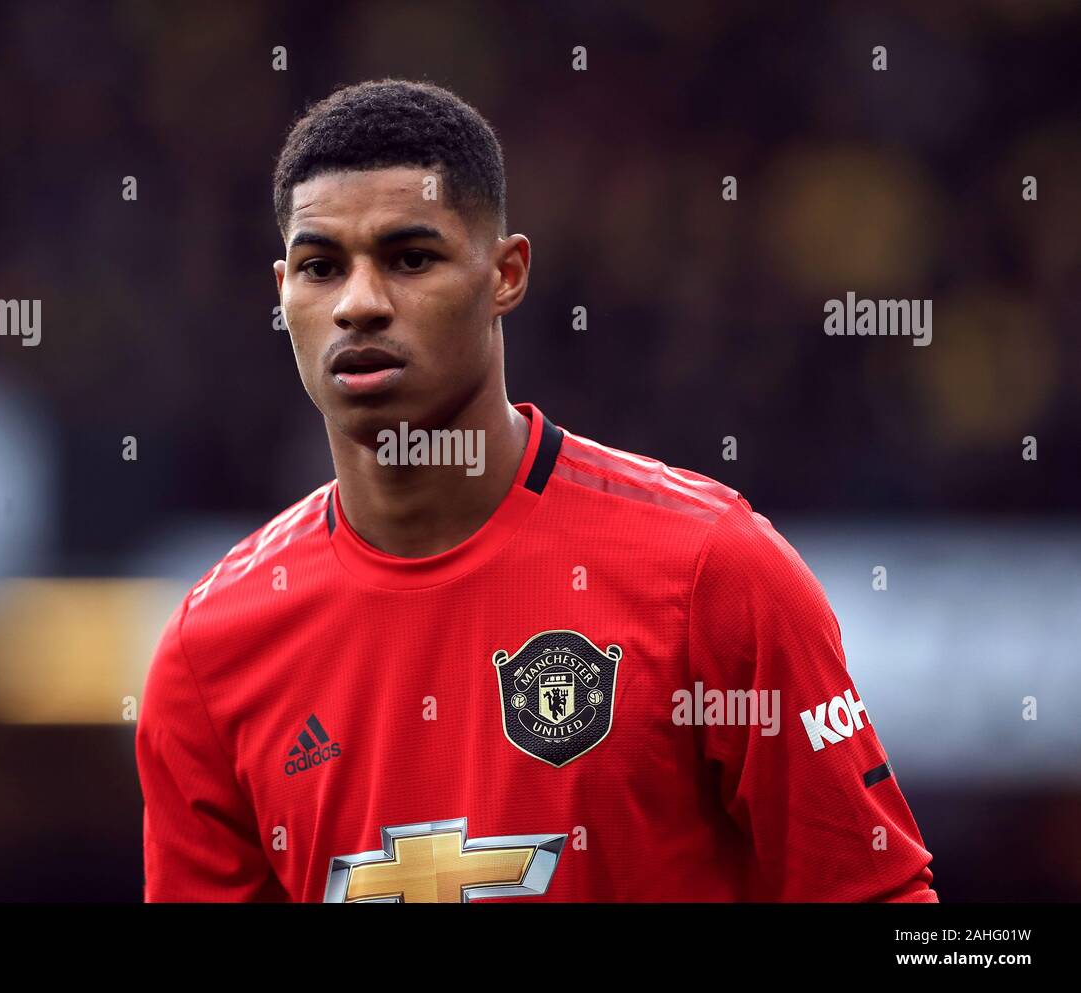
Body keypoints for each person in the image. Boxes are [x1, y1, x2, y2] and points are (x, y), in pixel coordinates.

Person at [135, 78, 937, 903]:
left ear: (505, 275)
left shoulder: (710, 572)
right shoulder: (213, 651)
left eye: (411, 258)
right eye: (320, 267)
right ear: (283, 294)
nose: (360, 303)